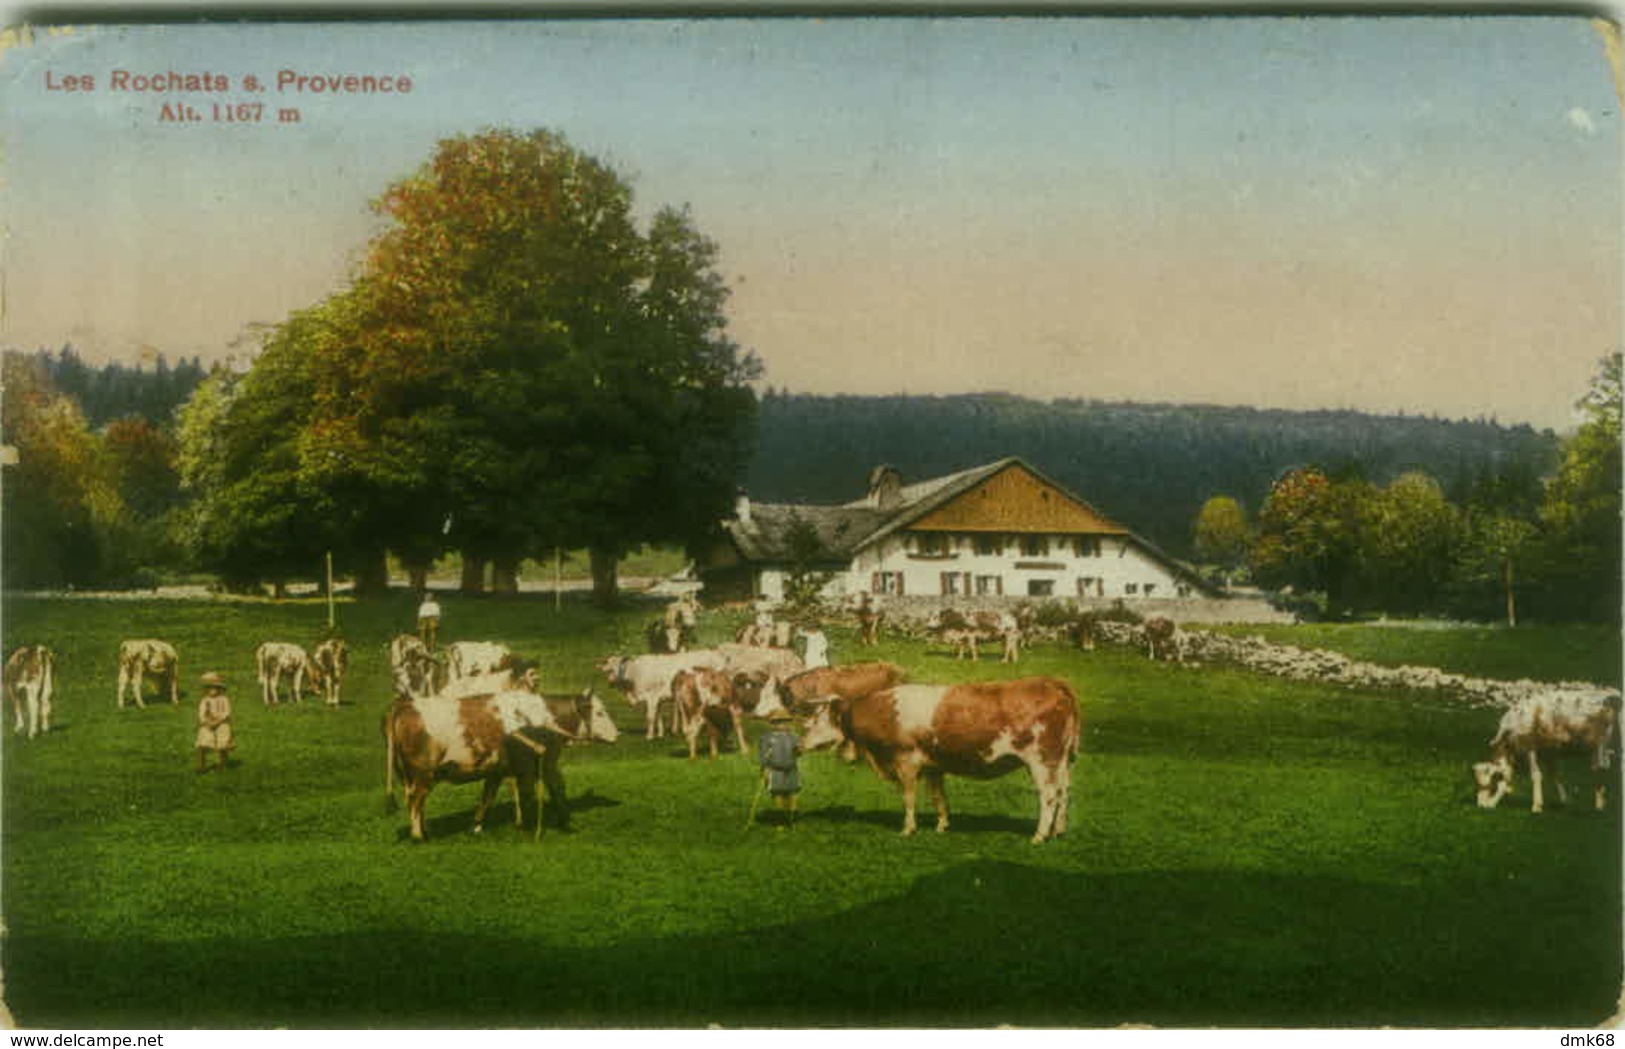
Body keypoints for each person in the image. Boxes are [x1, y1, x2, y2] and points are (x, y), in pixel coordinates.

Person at [756, 709, 802, 828]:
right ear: (773, 724)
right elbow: (763, 755)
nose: (782, 725)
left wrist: (799, 750)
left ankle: (792, 819)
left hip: (791, 768)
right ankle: (780, 820)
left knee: (792, 793)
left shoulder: (793, 736)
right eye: (778, 722)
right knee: (778, 794)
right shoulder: (767, 738)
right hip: (775, 770)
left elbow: (797, 752)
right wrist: (765, 768)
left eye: (785, 722)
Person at [195, 672, 234, 773]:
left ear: (220, 689)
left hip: (222, 722)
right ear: (206, 690)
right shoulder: (205, 701)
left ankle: (223, 764)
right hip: (208, 723)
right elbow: (201, 713)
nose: (213, 691)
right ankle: (202, 766)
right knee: (202, 743)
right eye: (210, 688)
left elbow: (227, 712)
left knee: (223, 743)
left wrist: (219, 720)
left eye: (216, 688)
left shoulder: (224, 699)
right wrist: (206, 722)